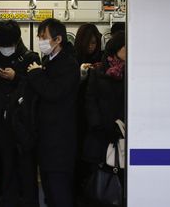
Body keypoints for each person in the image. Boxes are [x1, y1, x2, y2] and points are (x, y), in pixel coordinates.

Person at [0, 20, 41, 207]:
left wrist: (16, 78)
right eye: (1, 45)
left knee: (26, 167)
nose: (4, 49)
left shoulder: (30, 58)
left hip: (23, 123)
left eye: (7, 45)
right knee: (4, 166)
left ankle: (29, 201)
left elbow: (38, 88)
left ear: (17, 41)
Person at [27, 18, 80, 207]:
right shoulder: (47, 61)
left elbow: (53, 92)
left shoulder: (68, 64)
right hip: (46, 136)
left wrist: (35, 74)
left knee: (59, 189)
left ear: (58, 40)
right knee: (48, 187)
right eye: (39, 37)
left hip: (60, 138)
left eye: (44, 37)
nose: (41, 41)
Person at [83, 31, 126, 205]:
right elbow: (90, 101)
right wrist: (100, 125)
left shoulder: (133, 72)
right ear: (116, 49)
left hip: (123, 132)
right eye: (126, 47)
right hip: (100, 135)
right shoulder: (99, 71)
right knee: (101, 179)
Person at [72, 23, 104, 202]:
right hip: (77, 114)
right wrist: (81, 75)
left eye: (95, 43)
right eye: (89, 43)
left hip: (95, 114)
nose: (92, 46)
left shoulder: (103, 59)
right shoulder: (73, 59)